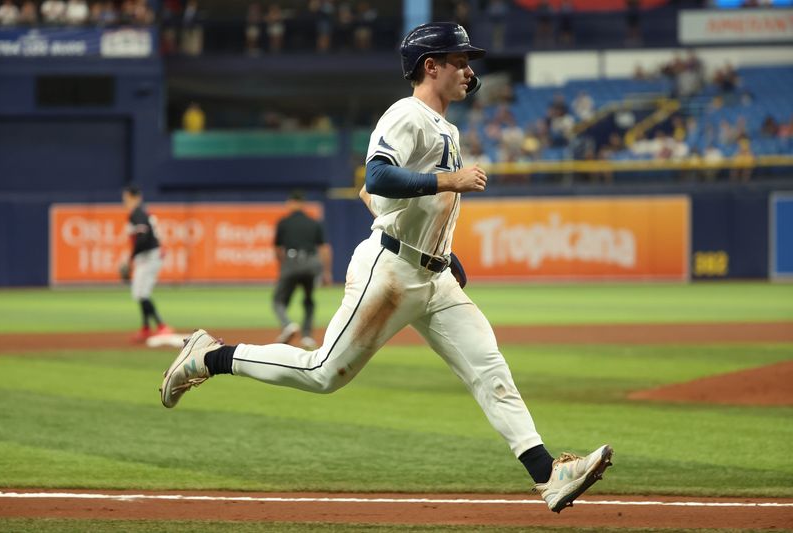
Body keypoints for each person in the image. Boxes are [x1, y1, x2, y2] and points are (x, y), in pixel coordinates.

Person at [159, 22, 612, 514]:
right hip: (391, 271)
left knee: (488, 366)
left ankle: (548, 475)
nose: (468, 69)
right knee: (321, 373)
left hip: (431, 276)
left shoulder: (446, 127)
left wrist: (443, 253)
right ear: (429, 66)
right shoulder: (407, 113)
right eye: (458, 60)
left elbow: (379, 197)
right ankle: (210, 356)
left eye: (468, 61)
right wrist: (448, 179)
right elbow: (375, 174)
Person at [272, 190, 333, 350]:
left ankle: (288, 325)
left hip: (292, 261)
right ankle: (307, 337)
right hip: (312, 263)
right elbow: (325, 249)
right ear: (303, 204)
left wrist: (283, 267)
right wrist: (326, 272)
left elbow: (278, 249)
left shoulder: (284, 222)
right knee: (309, 300)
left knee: (278, 300)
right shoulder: (313, 222)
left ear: (291, 203)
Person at [120, 185, 173, 342]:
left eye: (127, 197)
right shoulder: (141, 213)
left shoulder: (137, 213)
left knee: (142, 293)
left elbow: (143, 237)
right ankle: (146, 328)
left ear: (134, 197)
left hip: (150, 256)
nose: (125, 200)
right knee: (139, 293)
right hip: (147, 256)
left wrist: (130, 259)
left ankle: (162, 326)